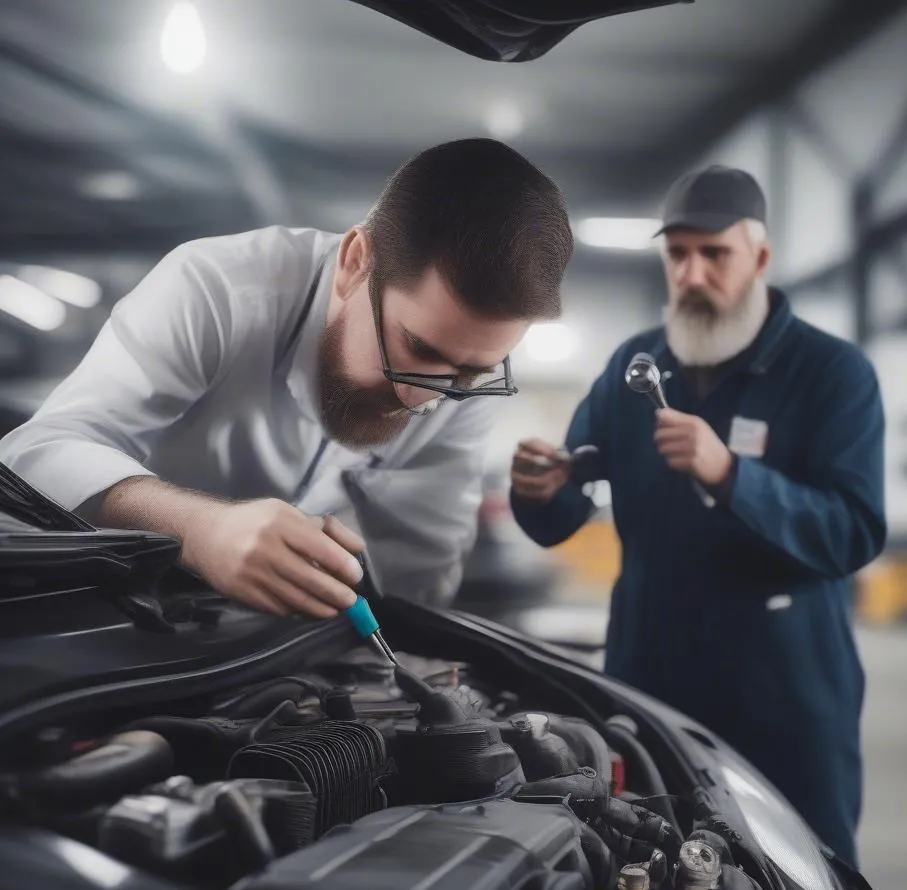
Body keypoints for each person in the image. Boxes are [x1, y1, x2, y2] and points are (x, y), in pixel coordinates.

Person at [0, 138, 573, 615]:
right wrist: (198, 531)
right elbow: (35, 455)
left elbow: (421, 560)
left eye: (469, 373)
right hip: (106, 614)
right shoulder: (216, 288)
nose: (423, 401)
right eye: (417, 349)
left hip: (270, 652)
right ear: (355, 262)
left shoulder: (461, 377)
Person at [509, 165, 886, 866]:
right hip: (651, 676)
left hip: (785, 690)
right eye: (678, 254)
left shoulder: (833, 376)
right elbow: (567, 503)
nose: (692, 272)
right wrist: (539, 490)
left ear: (760, 259)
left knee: (807, 877)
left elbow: (854, 530)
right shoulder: (636, 365)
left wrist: (732, 474)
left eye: (715, 254)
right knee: (643, 860)